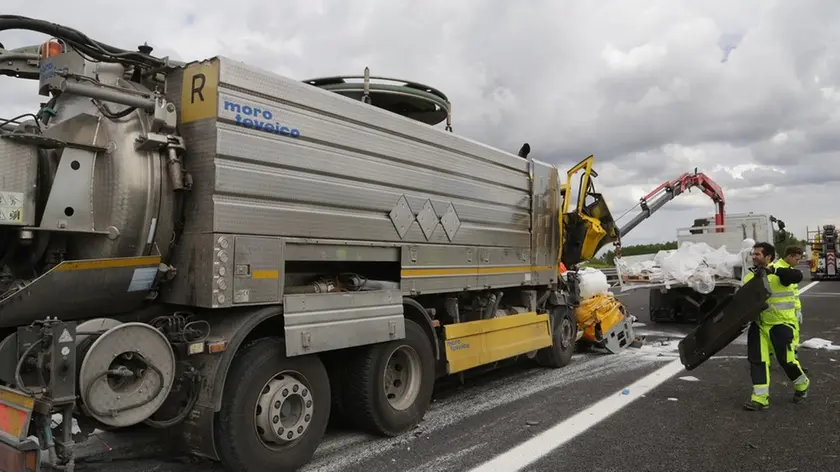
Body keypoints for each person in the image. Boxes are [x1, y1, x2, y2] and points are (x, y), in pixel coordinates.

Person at [743, 242, 809, 411]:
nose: (754, 257)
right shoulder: (750, 277)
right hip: (759, 325)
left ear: (768, 257)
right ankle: (759, 398)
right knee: (758, 360)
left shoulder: (779, 270)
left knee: (786, 360)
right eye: (753, 254)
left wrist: (772, 271)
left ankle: (802, 385)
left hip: (781, 324)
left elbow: (796, 277)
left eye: (758, 254)